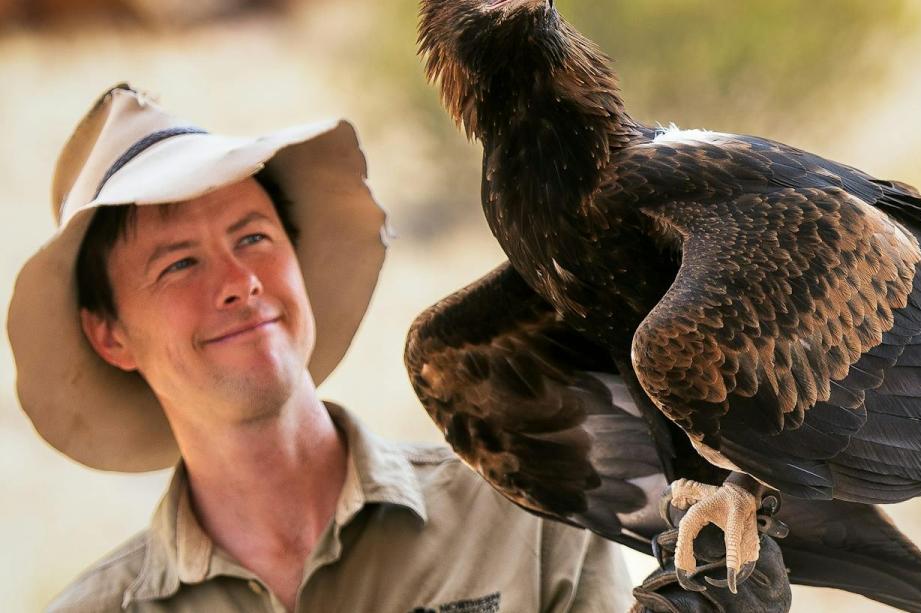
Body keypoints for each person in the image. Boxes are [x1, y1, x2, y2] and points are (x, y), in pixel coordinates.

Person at [8, 84, 632, 613]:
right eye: (179, 265)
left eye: (252, 237)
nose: (239, 281)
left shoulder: (531, 516)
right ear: (110, 336)